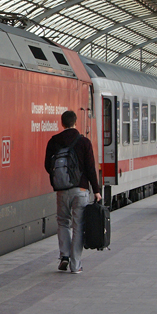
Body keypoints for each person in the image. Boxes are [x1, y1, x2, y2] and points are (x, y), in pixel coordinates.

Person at [44, 110, 102, 274]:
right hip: (81, 190)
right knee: (78, 226)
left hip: (62, 191)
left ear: (62, 123)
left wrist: (61, 178)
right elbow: (90, 168)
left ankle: (64, 256)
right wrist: (96, 191)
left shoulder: (54, 141)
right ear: (76, 122)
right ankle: (75, 265)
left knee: (63, 222)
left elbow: (48, 166)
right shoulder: (84, 142)